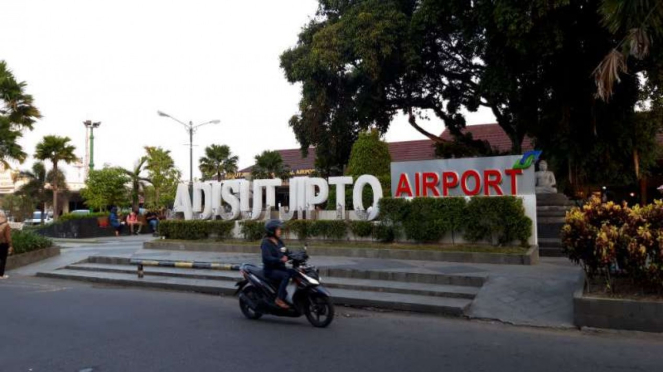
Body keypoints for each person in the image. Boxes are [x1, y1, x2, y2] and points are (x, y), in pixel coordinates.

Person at [261, 219, 296, 309]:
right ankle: (279, 299)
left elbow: (286, 252)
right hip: (270, 270)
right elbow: (267, 258)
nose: (280, 231)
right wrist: (280, 260)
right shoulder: (266, 243)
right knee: (286, 275)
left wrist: (297, 255)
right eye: (278, 229)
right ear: (272, 231)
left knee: (295, 272)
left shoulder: (279, 241)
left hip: (280, 268)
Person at [0, 211, 14, 279]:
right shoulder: (6, 225)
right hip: (3, 244)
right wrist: (10, 245)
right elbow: (8, 237)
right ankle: (1, 275)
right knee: (3, 259)